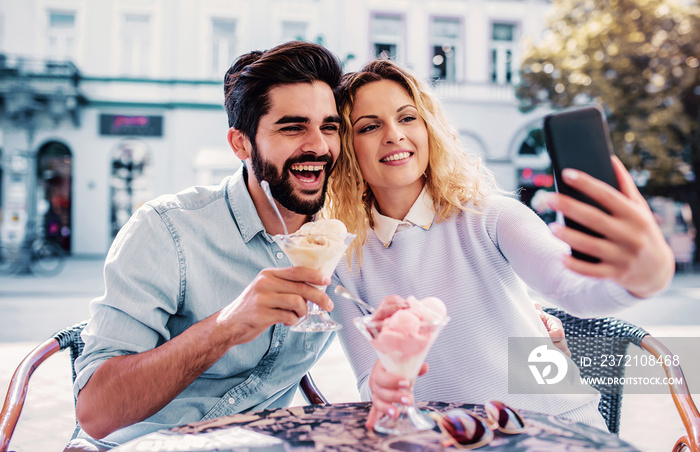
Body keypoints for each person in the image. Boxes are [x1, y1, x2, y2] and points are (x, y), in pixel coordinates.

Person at [325, 59, 675, 431]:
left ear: (429, 129)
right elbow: (369, 381)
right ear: (347, 148)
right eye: (369, 126)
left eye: (407, 118)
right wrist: (384, 387)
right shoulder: (344, 258)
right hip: (449, 439)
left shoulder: (491, 216)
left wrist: (643, 277)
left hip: (554, 427)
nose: (393, 134)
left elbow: (573, 290)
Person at [70, 41, 343, 449]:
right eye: (292, 127)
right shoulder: (167, 229)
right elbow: (96, 413)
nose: (319, 146)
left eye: (329, 126)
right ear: (241, 144)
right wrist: (228, 325)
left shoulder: (341, 242)